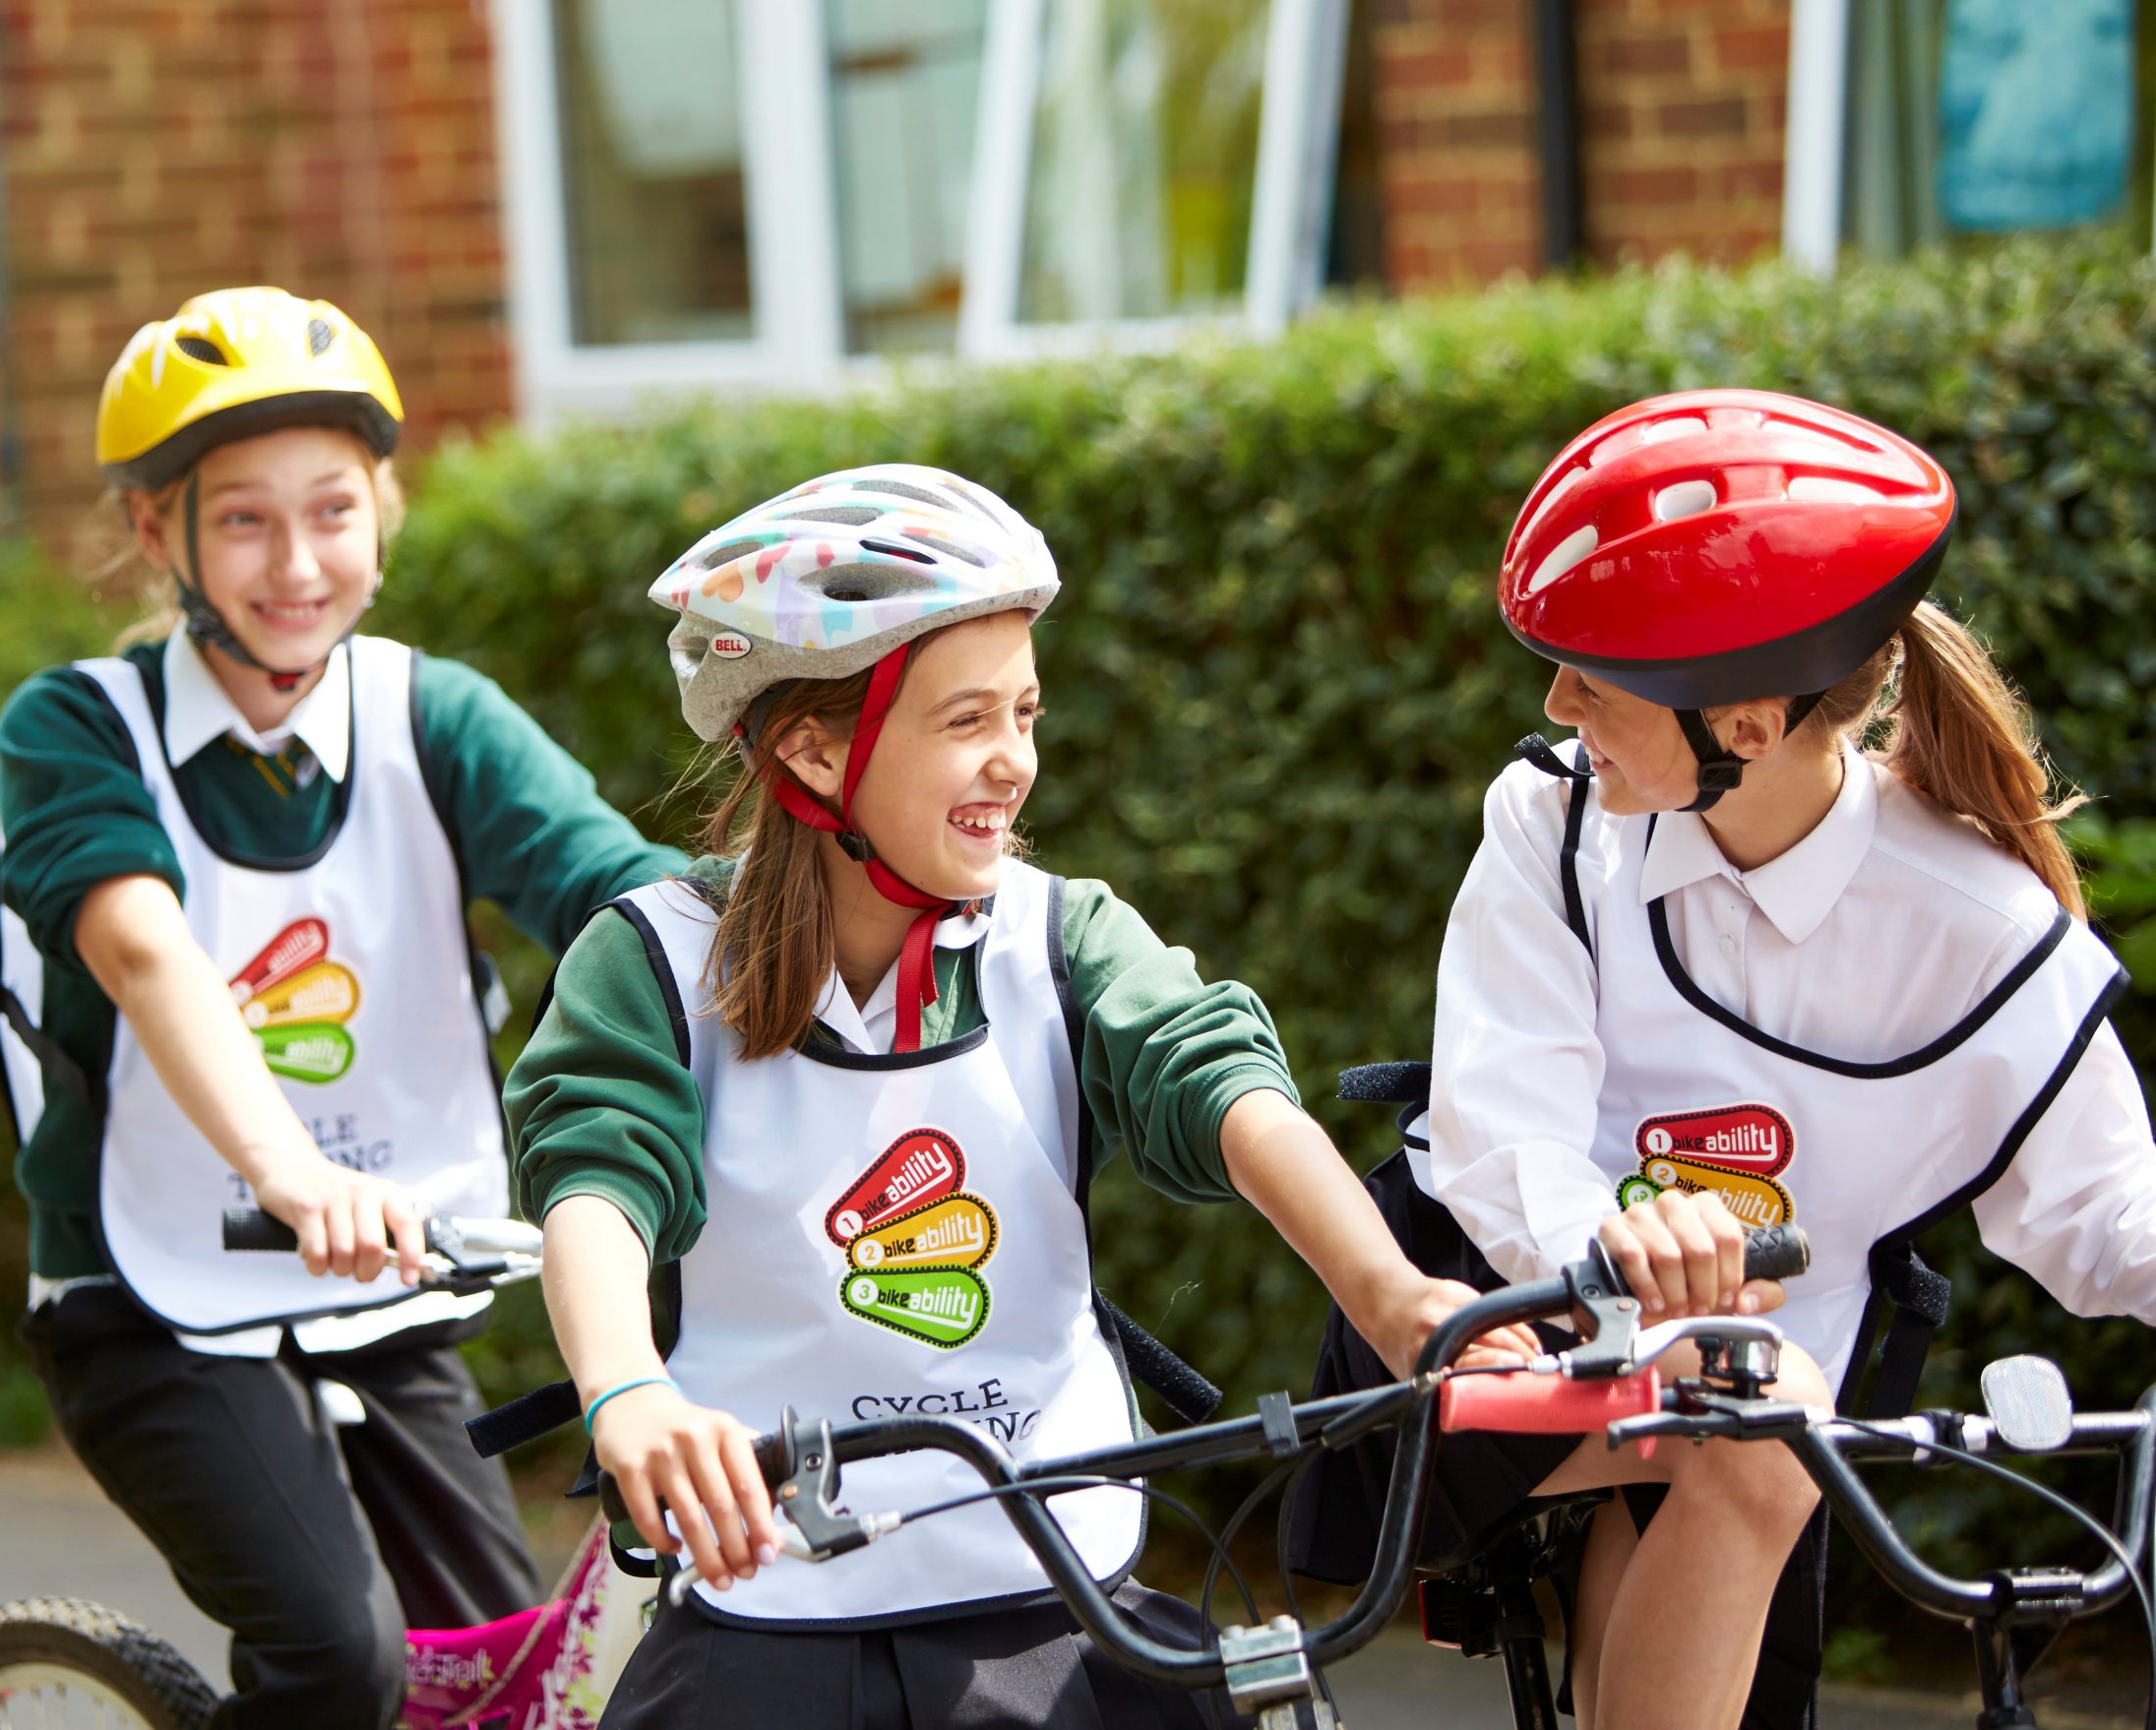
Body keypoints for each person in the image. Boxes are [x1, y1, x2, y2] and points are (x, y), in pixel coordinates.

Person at [507, 463, 1537, 1730]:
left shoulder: (1057, 935)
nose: (1016, 763)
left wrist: (1391, 1296)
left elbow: (1219, 1084)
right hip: (769, 1583)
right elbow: (595, 1179)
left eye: (1026, 714)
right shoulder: (655, 955)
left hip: (1052, 1573)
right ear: (815, 751)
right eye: (965, 721)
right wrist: (628, 1393)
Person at [1287, 389, 2156, 1730]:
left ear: (1745, 726)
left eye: (1594, 677)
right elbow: (1495, 1137)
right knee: (1753, 1412)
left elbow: (2105, 1218)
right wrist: (1625, 1247)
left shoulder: (1981, 926)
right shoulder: (1551, 819)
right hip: (1493, 1324)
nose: (1555, 701)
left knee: (1749, 1427)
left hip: (1754, 1407)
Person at [0, 286, 685, 1728]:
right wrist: (290, 1170)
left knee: (516, 1681)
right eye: (241, 518)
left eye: (333, 509)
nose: (298, 562)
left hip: (386, 1285)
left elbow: (626, 900)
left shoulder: (439, 717)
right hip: (152, 1294)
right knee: (338, 1662)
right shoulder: (70, 730)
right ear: (153, 533)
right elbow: (145, 953)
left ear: (386, 510)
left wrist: (831, 947)